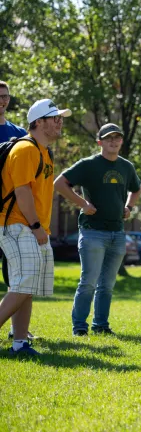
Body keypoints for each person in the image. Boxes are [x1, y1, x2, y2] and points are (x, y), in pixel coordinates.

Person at [54, 123, 141, 336]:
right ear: (100, 142)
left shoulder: (126, 166)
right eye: (108, 138)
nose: (113, 141)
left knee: (107, 285)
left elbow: (136, 189)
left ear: (121, 141)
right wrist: (83, 204)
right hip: (92, 232)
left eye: (117, 138)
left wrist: (128, 207)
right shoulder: (88, 165)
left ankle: (101, 325)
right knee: (89, 283)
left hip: (117, 233)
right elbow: (59, 183)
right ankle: (79, 328)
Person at [0, 98, 71, 356]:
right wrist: (36, 225)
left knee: (25, 287)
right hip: (18, 225)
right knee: (23, 284)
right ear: (39, 122)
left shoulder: (44, 151)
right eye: (55, 118)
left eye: (60, 117)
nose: (60, 122)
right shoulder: (26, 149)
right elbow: (22, 192)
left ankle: (20, 344)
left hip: (30, 226)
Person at [0, 81, 35, 343]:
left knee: (17, 272)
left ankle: (17, 331)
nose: (2, 100)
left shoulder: (19, 133)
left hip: (11, 214)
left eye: (5, 96)